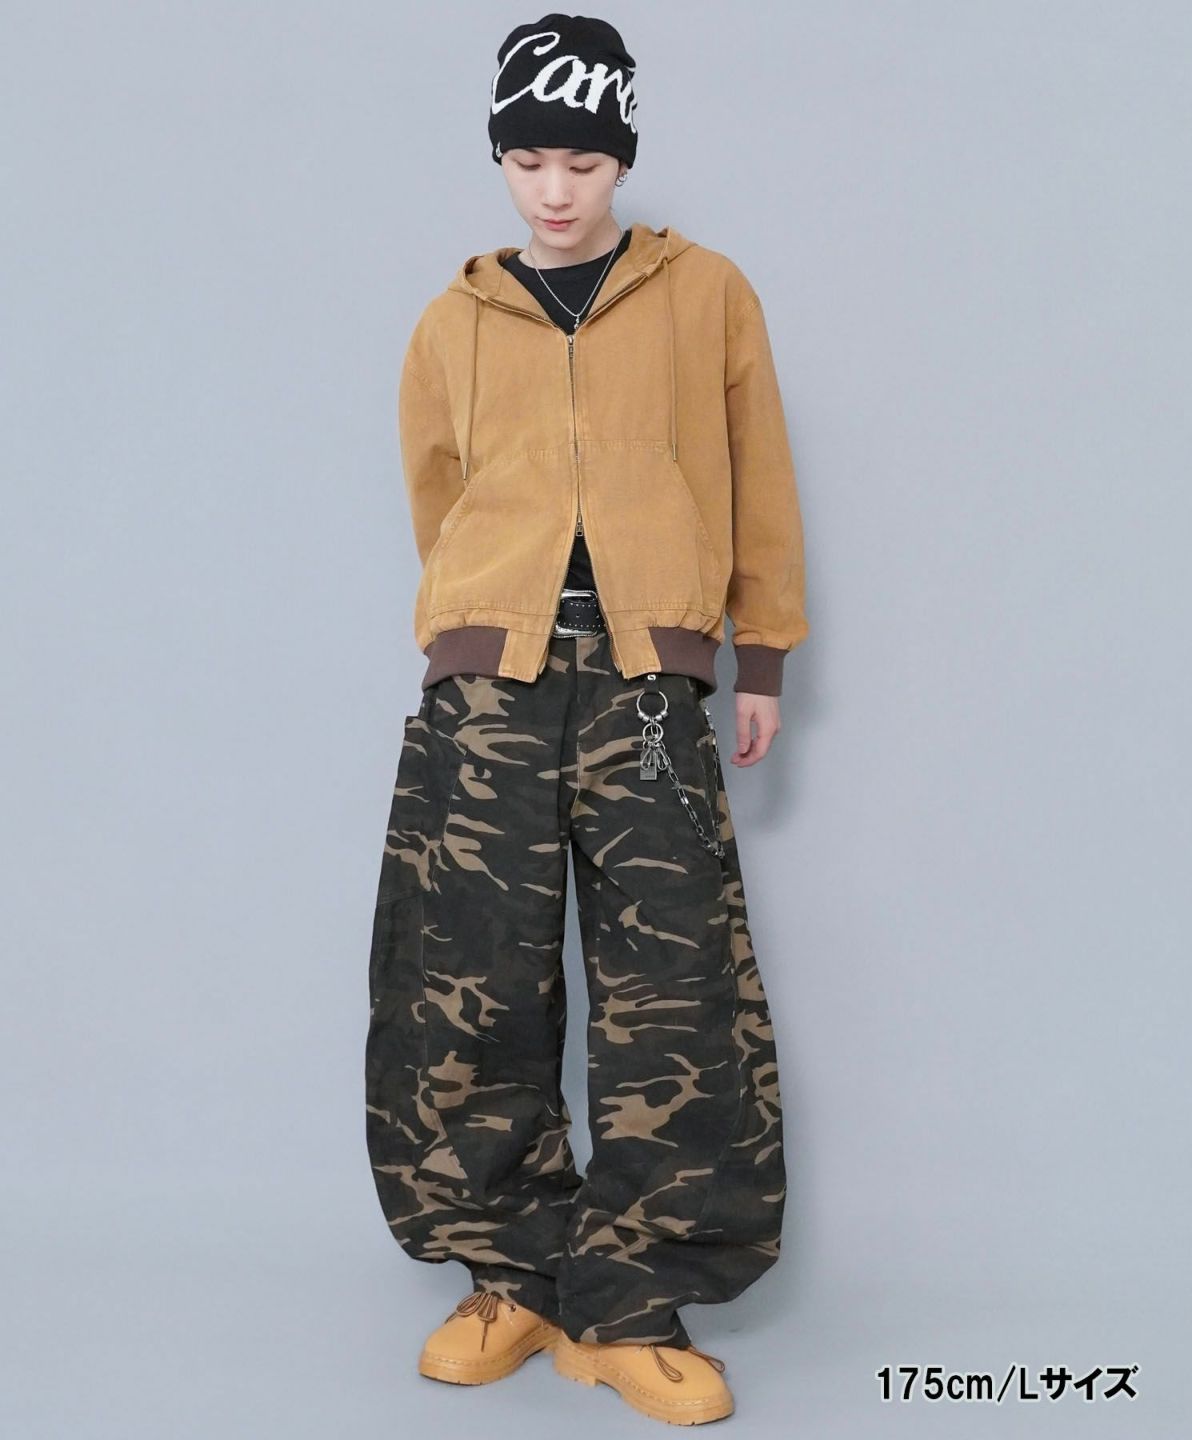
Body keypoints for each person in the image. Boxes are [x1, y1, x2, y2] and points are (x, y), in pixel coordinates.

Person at [364, 12, 809, 1426]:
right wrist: (471, 626)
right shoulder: (453, 320)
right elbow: (438, 497)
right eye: (529, 161)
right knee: (471, 976)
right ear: (501, 160)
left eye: (582, 162)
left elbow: (758, 471)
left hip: (647, 683)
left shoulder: (705, 295)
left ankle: (631, 1298)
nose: (554, 190)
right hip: (488, 686)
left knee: (673, 982)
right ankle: (513, 1276)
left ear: (623, 158)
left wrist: (757, 656)